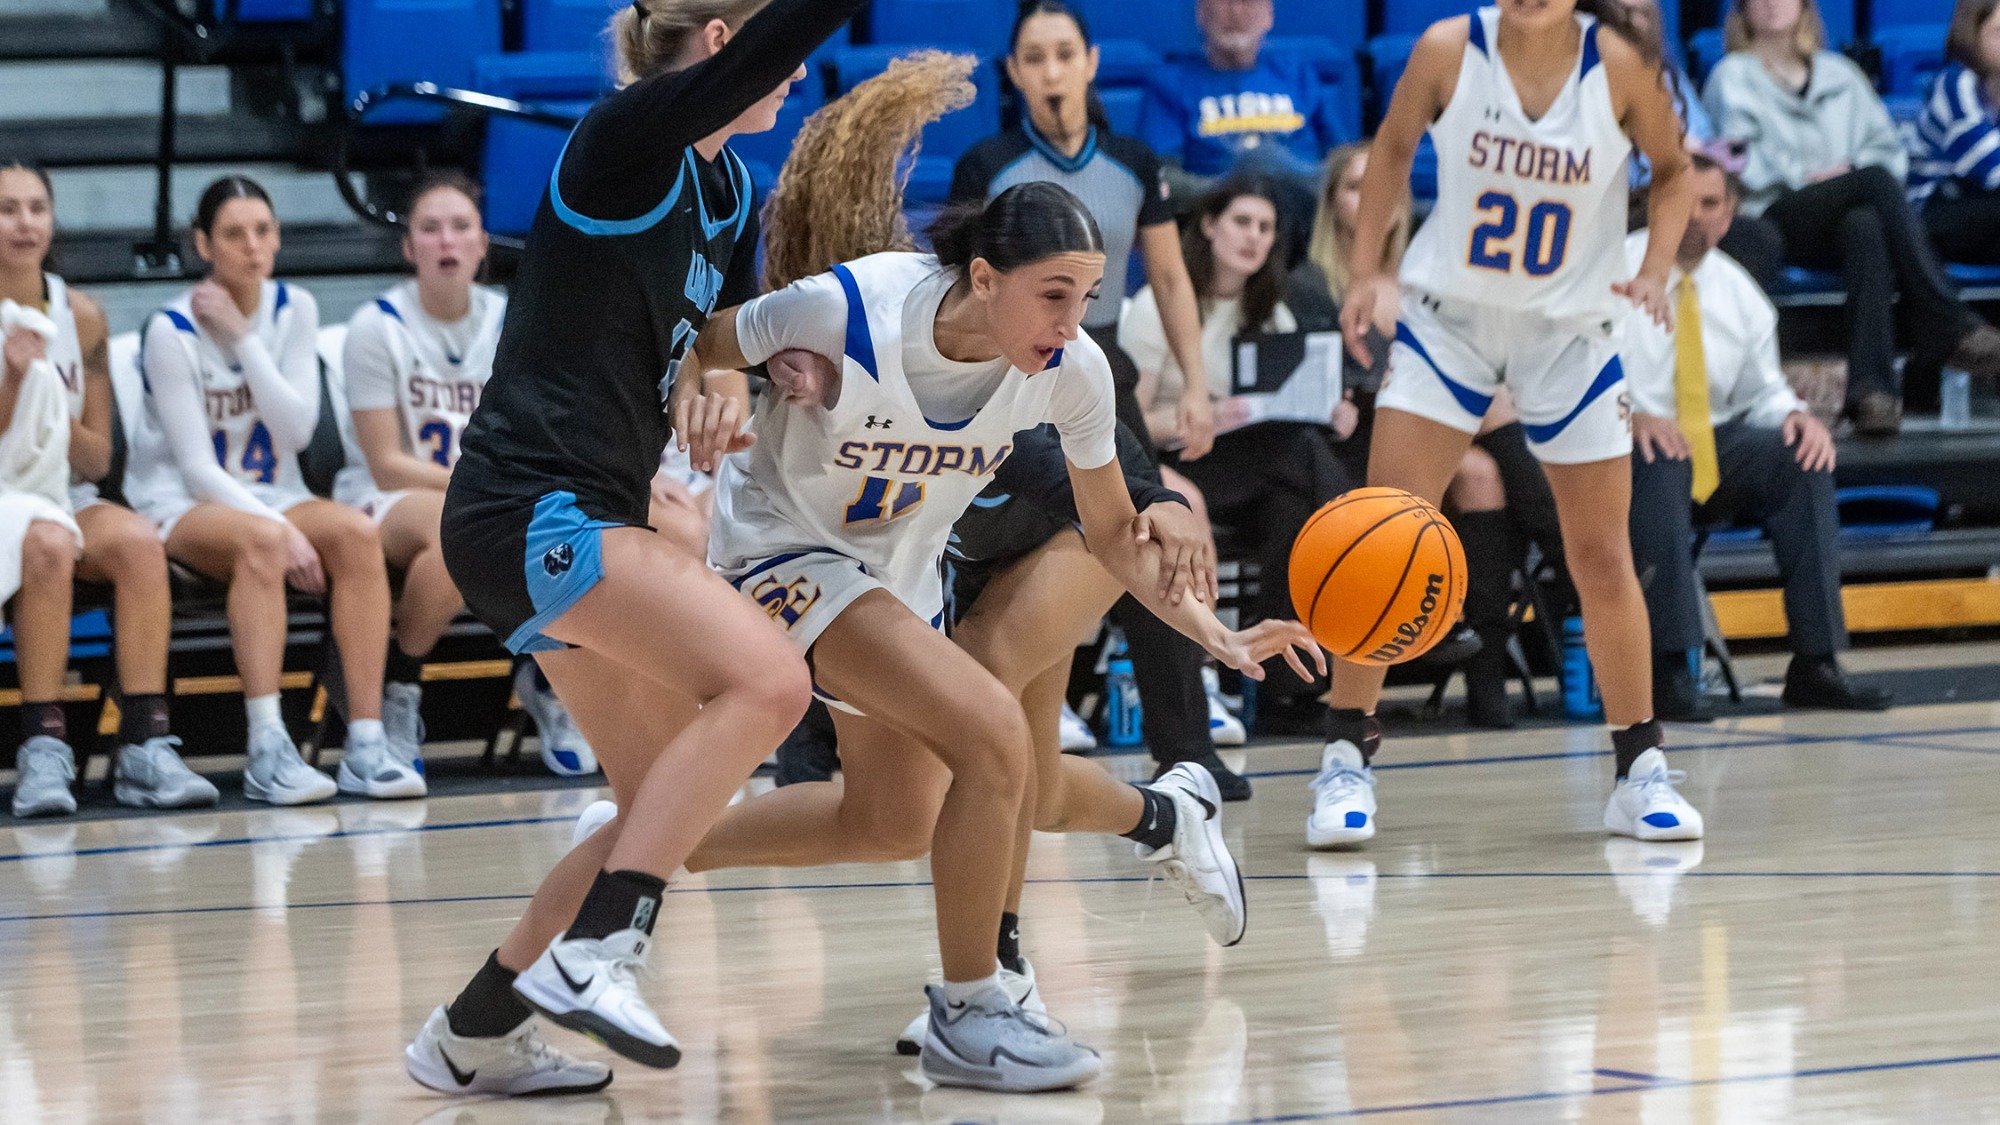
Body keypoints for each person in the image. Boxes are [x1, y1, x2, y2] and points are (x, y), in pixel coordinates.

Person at [682, 182, 1319, 1092]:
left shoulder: (1071, 369)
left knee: (895, 819)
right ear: (983, 277)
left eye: (1086, 297)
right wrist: (714, 391)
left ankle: (652, 840)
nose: (1071, 320)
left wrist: (1218, 635)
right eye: (1054, 294)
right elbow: (698, 338)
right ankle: (977, 1002)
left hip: (896, 574)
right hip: (780, 547)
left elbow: (1113, 536)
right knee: (992, 730)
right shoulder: (849, 306)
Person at [402, 0, 863, 1098]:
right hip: (532, 507)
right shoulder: (627, 137)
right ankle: (599, 950)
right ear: (722, 43)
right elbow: (769, 47)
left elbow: (713, 337)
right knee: (770, 682)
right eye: (779, 55)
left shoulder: (727, 187)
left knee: (661, 803)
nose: (797, 77)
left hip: (580, 512)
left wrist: (730, 380)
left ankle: (467, 1035)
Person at [1329, 0, 1704, 848]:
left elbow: (1676, 172)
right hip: (1450, 321)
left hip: (1570, 331)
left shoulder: (1617, 65)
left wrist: (1653, 268)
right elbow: (1391, 150)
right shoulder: (1448, 48)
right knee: (1383, 537)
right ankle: (1345, 756)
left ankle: (1640, 769)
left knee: (1601, 553)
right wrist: (1364, 271)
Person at [951, 0, 1245, 783]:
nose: (1051, 71)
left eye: (1063, 54)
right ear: (1013, 73)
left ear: (1091, 63)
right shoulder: (988, 165)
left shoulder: (1134, 160)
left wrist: (1195, 383)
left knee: (1150, 526)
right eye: (1034, 58)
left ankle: (1188, 752)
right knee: (1053, 524)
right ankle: (1018, 707)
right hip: (1018, 361)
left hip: (1101, 362)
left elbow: (1172, 278)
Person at [131, 176, 412, 807]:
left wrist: (244, 338)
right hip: (180, 503)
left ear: (278, 237)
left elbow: (297, 431)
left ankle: (367, 743)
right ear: (204, 244)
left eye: (263, 231)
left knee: (356, 533)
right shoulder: (170, 329)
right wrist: (282, 530)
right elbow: (198, 470)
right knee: (261, 541)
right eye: (234, 234)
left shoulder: (296, 308)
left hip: (270, 490)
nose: (252, 246)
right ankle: (267, 748)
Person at [1293, 143, 1563, 728]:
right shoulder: (1312, 284)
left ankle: (1485, 673)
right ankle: (1561, 536)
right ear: (1332, 203)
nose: (1376, 198)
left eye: (1385, 185)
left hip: (1443, 429)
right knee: (1486, 412)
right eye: (1356, 187)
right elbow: (1317, 383)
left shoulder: (1423, 276)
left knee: (1481, 472)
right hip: (1352, 442)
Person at [337, 174, 595, 778]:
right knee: (459, 534)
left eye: (460, 227)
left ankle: (549, 680)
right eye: (430, 229)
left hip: (492, 493)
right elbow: (385, 462)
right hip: (391, 494)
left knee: (577, 532)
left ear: (482, 243)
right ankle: (401, 685)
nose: (446, 241)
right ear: (409, 247)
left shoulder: (512, 320)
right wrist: (482, 488)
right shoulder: (375, 326)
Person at [1625, 155, 1891, 718]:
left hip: (1712, 444)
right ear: (1657, 206)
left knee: (1801, 457)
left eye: (1710, 204)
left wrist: (1796, 415)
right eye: (1683, 202)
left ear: (1729, 216)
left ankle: (1816, 664)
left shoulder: (1740, 293)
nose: (1696, 216)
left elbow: (1764, 391)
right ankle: (1668, 668)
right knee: (1661, 455)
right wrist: (1630, 415)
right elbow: (1574, 371)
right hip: (1622, 446)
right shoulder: (1617, 272)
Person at [1, 163, 216, 817]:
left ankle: (145, 746)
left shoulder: (83, 316)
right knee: (46, 544)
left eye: (37, 207)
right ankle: (43, 747)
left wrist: (43, 393)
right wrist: (14, 385)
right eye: (7, 209)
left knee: (139, 543)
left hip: (60, 490)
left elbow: (95, 456)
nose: (25, 222)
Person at [1704, 0, 2000, 435]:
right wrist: (1815, 176)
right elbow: (1743, 160)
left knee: (1865, 225)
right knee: (1873, 183)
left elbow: (1888, 149)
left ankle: (1872, 394)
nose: (1771, 3)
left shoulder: (1841, 74)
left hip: (1844, 210)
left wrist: (1849, 174)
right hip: (1776, 211)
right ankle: (1946, 325)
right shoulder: (1730, 76)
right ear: (1742, 12)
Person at [1126, 175, 1353, 728]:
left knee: (1292, 506)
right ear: (1209, 226)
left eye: (1266, 228)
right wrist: (1197, 415)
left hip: (1251, 463)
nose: (1254, 237)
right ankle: (1360, 544)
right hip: (1173, 458)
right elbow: (1126, 426)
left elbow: (1288, 408)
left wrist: (1331, 408)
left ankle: (1282, 687)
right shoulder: (1158, 306)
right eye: (1242, 222)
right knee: (1299, 458)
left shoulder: (1271, 310)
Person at [1138, 0, 1346, 226]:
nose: (1236, 12)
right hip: (1214, 226)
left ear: (1268, 15)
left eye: (1247, 2)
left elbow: (1343, 161)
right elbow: (1160, 177)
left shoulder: (1298, 74)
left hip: (1303, 222)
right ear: (1200, 12)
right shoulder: (1170, 83)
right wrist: (1234, 187)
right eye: (1224, 2)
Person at [1909, 0, 2000, 264]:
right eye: (1999, 32)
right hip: (1932, 213)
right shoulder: (1954, 83)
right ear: (1972, 35)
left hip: (1983, 210)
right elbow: (1992, 168)